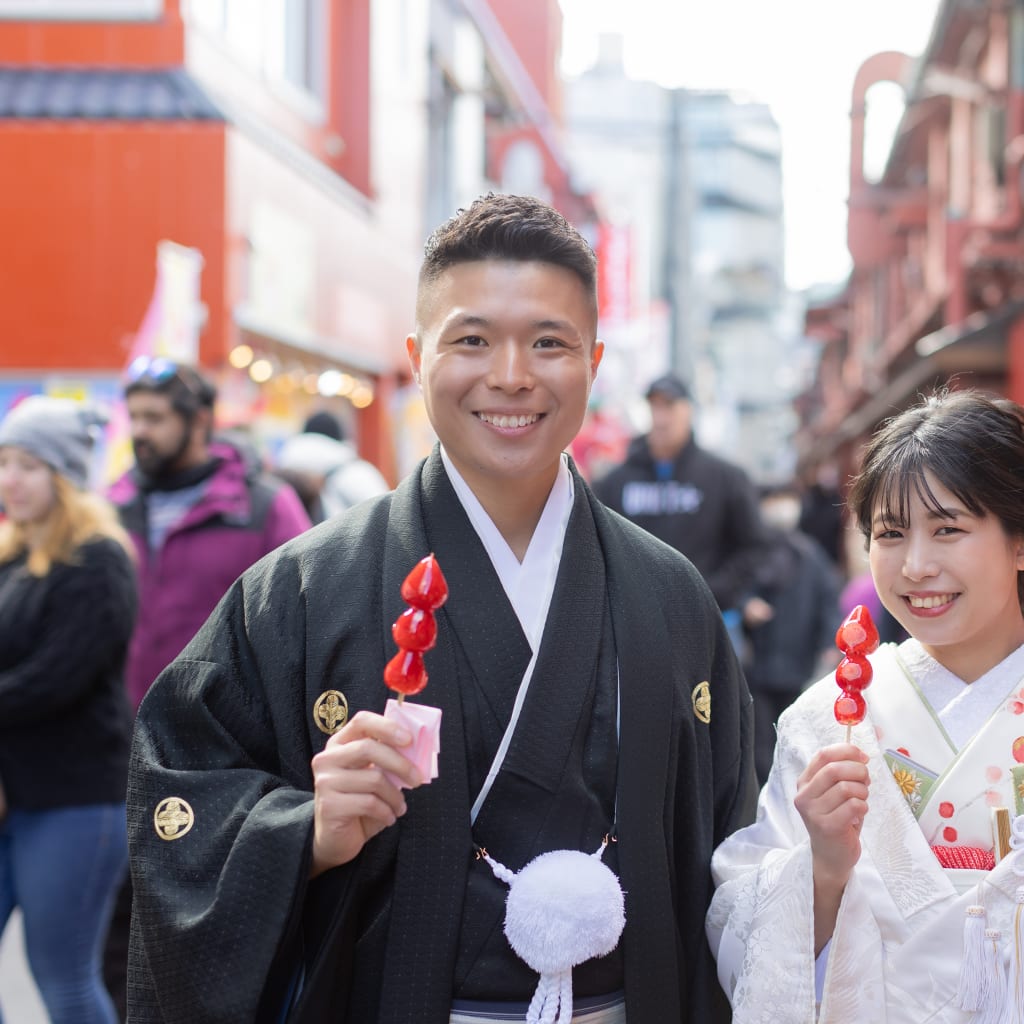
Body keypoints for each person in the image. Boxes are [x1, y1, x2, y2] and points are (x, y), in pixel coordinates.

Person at [126, 192, 758, 1024]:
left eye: (548, 343)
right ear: (418, 355)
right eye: (472, 340)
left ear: (595, 364)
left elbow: (734, 839)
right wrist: (304, 832)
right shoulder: (305, 589)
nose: (510, 375)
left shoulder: (669, 595)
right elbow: (181, 797)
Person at [707, 389, 1024, 1022]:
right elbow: (739, 930)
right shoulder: (829, 719)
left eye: (948, 530)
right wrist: (822, 869)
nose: (915, 566)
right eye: (890, 533)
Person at [103, 359, 310, 1018]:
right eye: (134, 417)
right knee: (117, 931)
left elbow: (307, 616)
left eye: (155, 418)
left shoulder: (261, 505)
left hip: (221, 758)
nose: (141, 432)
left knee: (210, 927)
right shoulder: (114, 504)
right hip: (116, 749)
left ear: (198, 421)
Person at [0, 396, 138, 1024]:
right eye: (3, 462)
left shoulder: (97, 558)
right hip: (15, 792)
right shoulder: (13, 556)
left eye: (27, 464)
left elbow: (55, 678)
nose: (10, 480)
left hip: (75, 800)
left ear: (62, 475)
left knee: (65, 980)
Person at [592, 372, 768, 648]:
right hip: (634, 625)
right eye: (655, 407)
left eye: (670, 406)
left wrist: (711, 590)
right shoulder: (616, 481)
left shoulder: (723, 477)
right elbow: (595, 545)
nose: (661, 418)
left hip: (706, 621)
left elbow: (755, 546)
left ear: (688, 411)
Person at [742, 482, 842, 787]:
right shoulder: (752, 550)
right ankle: (763, 796)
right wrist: (747, 606)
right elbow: (731, 589)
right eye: (775, 499)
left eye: (787, 499)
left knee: (794, 733)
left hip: (797, 662)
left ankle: (788, 789)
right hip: (757, 663)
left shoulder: (809, 554)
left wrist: (829, 642)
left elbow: (827, 600)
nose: (782, 507)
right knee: (760, 740)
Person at [275, 409, 389, 523]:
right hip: (342, 539)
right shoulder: (356, 471)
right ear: (339, 437)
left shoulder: (284, 467)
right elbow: (383, 516)